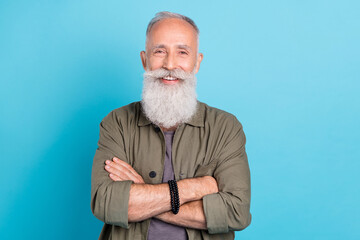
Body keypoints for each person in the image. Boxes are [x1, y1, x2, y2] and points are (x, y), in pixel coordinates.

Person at [91, 11, 251, 240]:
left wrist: (145, 194)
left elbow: (236, 213)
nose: (170, 64)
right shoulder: (117, 122)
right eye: (159, 51)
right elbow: (106, 203)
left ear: (197, 62)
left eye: (182, 52)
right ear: (145, 60)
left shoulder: (226, 128)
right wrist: (195, 188)